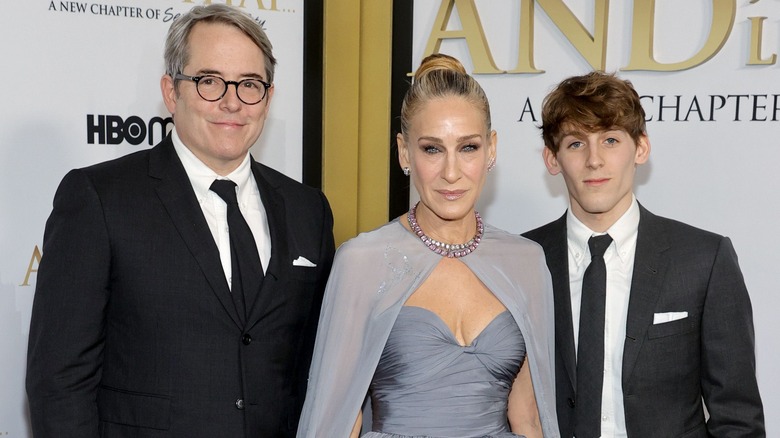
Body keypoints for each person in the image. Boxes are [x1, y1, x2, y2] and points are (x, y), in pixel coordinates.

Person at [26, 4, 335, 437]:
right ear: (171, 92)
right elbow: (58, 382)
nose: (232, 101)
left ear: (268, 97)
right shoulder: (100, 199)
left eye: (250, 84)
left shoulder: (308, 209)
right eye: (209, 81)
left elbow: (314, 367)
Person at [297, 53, 559, 438]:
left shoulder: (526, 261)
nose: (451, 172)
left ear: (492, 149)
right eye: (432, 149)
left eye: (468, 147)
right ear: (405, 152)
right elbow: (336, 420)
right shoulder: (361, 261)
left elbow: (529, 418)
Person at [523, 71, 765, 438]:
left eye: (610, 140)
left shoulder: (704, 259)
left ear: (641, 148)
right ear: (552, 158)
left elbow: (737, 418)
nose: (594, 160)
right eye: (575, 143)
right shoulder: (523, 261)